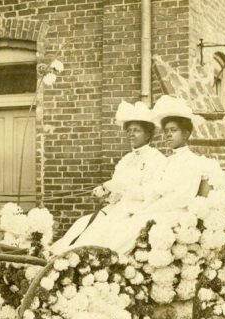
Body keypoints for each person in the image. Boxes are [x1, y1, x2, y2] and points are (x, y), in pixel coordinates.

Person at [96, 94, 206, 255]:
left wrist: (148, 209)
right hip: (159, 209)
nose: (168, 135)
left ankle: (111, 258)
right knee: (120, 222)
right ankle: (104, 257)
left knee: (132, 224)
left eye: (173, 130)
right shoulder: (169, 161)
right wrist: (144, 205)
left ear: (186, 134)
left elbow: (182, 197)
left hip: (176, 212)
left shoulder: (192, 161)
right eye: (166, 131)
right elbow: (155, 190)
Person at [50, 100, 166, 253]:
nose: (131, 134)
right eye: (129, 130)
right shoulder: (126, 160)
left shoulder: (156, 159)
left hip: (136, 212)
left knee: (101, 231)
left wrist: (121, 188)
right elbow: (115, 191)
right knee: (82, 223)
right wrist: (106, 193)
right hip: (117, 209)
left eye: (136, 130)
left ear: (148, 134)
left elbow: (150, 194)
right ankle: (60, 257)